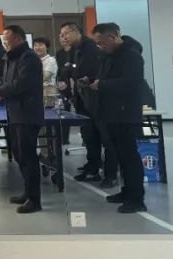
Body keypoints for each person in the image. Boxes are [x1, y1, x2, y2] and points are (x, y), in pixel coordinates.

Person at [91, 23, 148, 213]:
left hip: (125, 113)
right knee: (121, 156)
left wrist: (103, 85)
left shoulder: (131, 56)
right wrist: (94, 82)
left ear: (112, 37)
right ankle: (127, 191)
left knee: (130, 157)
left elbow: (132, 83)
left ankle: (137, 198)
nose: (100, 47)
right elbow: (105, 78)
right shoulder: (109, 56)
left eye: (101, 42)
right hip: (111, 113)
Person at [0, 26, 45, 214]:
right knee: (19, 154)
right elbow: (5, 80)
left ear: (18, 38)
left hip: (27, 114)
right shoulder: (10, 57)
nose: (4, 41)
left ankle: (35, 200)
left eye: (6, 38)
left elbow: (22, 83)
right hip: (14, 113)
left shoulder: (29, 57)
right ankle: (27, 192)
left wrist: (1, 91)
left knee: (28, 156)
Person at [59, 23, 115, 187]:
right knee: (89, 135)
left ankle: (110, 173)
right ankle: (92, 167)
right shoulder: (74, 50)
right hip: (82, 99)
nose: (64, 37)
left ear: (76, 32)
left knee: (105, 137)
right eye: (62, 35)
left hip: (97, 99)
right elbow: (70, 70)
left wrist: (80, 75)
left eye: (66, 33)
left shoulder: (91, 48)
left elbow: (94, 72)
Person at [34, 38, 58, 108]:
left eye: (40, 45)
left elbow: (45, 77)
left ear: (47, 47)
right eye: (35, 45)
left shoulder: (51, 60)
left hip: (48, 94)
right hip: (35, 94)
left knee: (48, 113)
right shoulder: (35, 60)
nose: (38, 48)